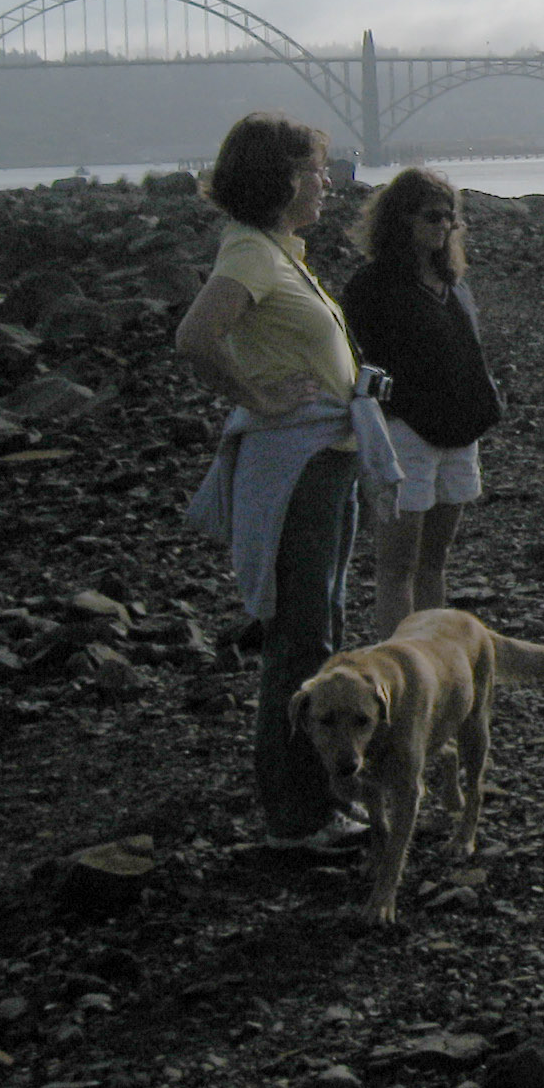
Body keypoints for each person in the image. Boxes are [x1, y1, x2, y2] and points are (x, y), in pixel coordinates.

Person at [177, 114, 399, 854]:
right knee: (301, 639)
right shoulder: (250, 254)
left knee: (316, 628)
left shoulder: (275, 251)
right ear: (282, 178)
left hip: (323, 462)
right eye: (316, 169)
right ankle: (296, 816)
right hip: (298, 466)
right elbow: (195, 336)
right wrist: (259, 397)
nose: (328, 183)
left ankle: (313, 802)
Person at [343, 168, 502, 635]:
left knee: (434, 560)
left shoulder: (452, 283)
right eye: (432, 216)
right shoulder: (372, 287)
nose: (444, 226)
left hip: (459, 433)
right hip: (405, 435)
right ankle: (396, 665)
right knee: (397, 565)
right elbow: (363, 360)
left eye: (450, 219)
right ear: (401, 219)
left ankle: (433, 658)